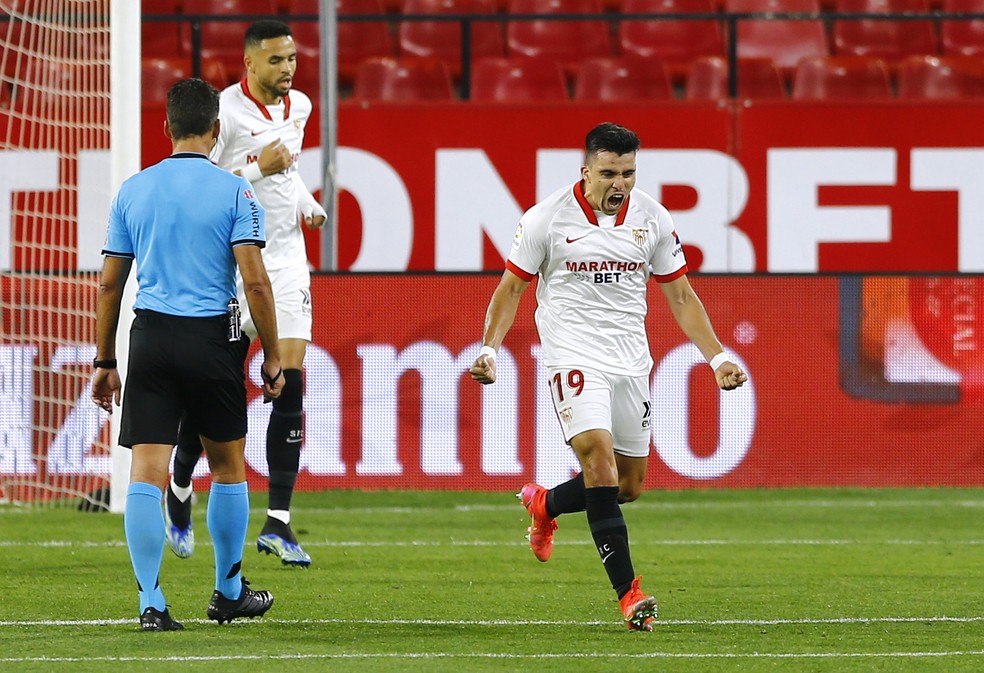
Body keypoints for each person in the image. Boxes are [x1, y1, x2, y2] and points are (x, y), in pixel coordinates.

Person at [469, 122, 747, 632]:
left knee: (629, 485)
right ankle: (630, 594)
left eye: (628, 172)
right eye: (608, 173)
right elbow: (510, 290)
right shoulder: (545, 220)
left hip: (631, 364)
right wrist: (489, 348)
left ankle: (546, 503)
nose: (619, 184)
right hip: (573, 358)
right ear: (586, 170)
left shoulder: (652, 218)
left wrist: (717, 357)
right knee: (598, 462)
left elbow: (681, 297)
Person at [91, 78, 284, 631]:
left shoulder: (133, 190)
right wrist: (272, 356)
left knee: (146, 473)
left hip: (150, 336)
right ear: (217, 129)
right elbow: (256, 282)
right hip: (211, 341)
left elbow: (109, 285)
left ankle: (151, 602)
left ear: (166, 127)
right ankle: (227, 593)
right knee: (226, 468)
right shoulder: (235, 192)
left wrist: (106, 361)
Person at [164, 19, 325, 568]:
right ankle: (181, 483)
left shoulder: (300, 106)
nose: (287, 70)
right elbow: (205, 179)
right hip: (234, 267)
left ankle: (278, 522)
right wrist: (260, 165)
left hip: (287, 264)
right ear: (249, 64)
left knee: (292, 381)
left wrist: (305, 202)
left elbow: (290, 170)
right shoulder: (225, 113)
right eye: (276, 61)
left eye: (293, 59)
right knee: (217, 388)